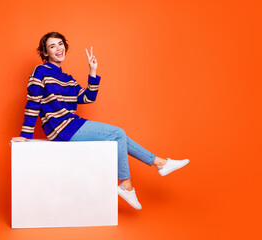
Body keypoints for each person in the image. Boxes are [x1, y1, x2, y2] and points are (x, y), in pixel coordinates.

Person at [11, 32, 189, 210]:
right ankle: (128, 183)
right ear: (45, 52)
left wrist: (93, 71)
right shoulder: (40, 71)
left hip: (72, 124)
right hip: (61, 128)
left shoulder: (68, 79)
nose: (58, 48)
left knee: (120, 137)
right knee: (118, 133)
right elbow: (33, 102)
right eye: (52, 46)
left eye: (60, 44)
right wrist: (25, 135)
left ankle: (160, 164)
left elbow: (87, 98)